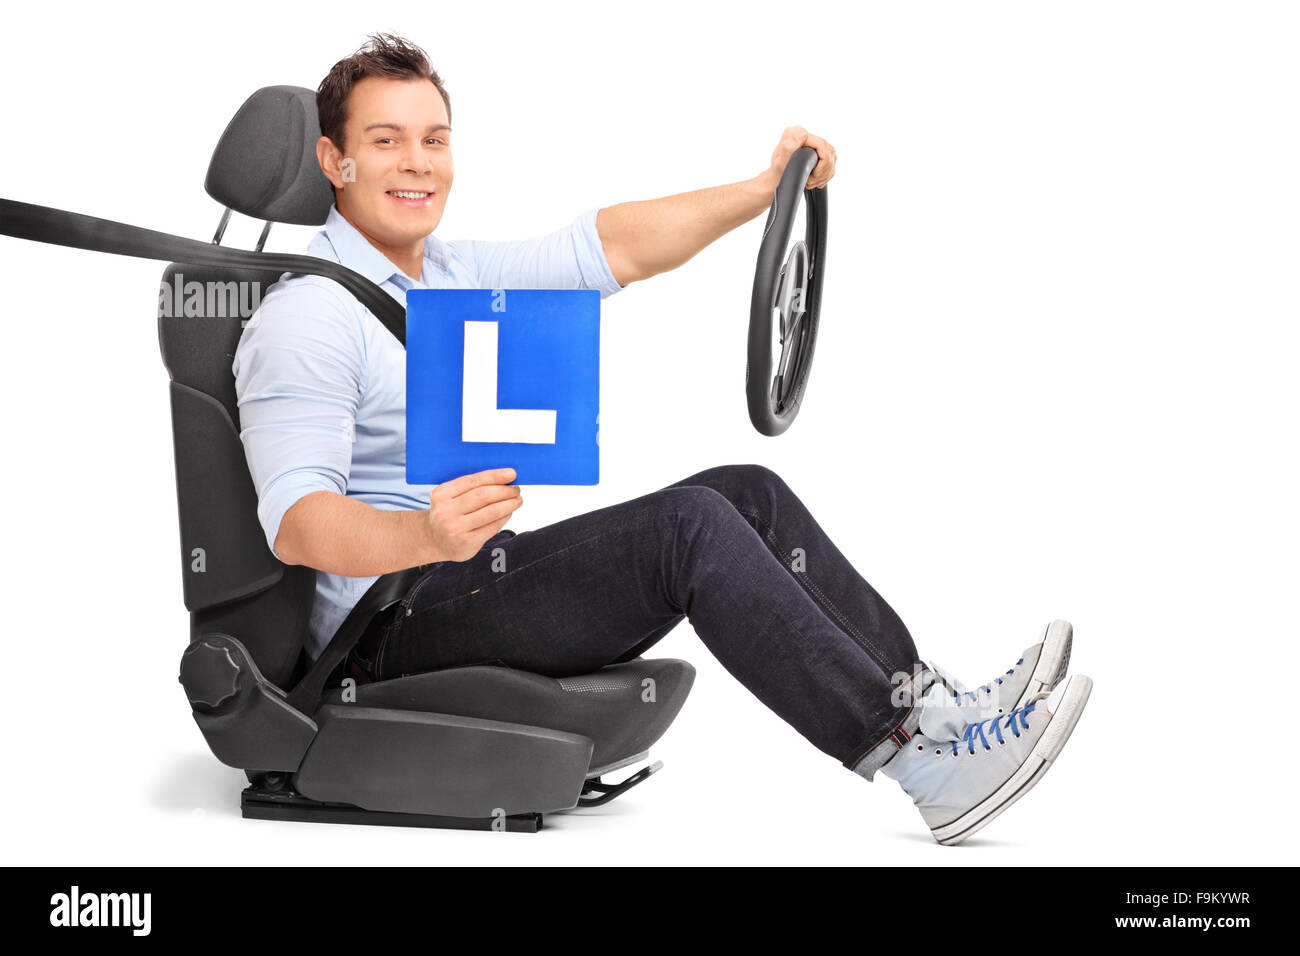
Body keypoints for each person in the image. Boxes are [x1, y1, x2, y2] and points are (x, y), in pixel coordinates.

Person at [232, 33, 1092, 845]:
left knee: (743, 490)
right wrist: (422, 534)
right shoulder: (310, 315)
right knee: (690, 529)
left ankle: (933, 712)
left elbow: (611, 247)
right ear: (334, 162)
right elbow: (296, 521)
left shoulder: (451, 276)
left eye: (435, 139)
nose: (417, 162)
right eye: (386, 141)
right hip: (392, 623)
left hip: (465, 574)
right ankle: (922, 768)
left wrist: (763, 191)